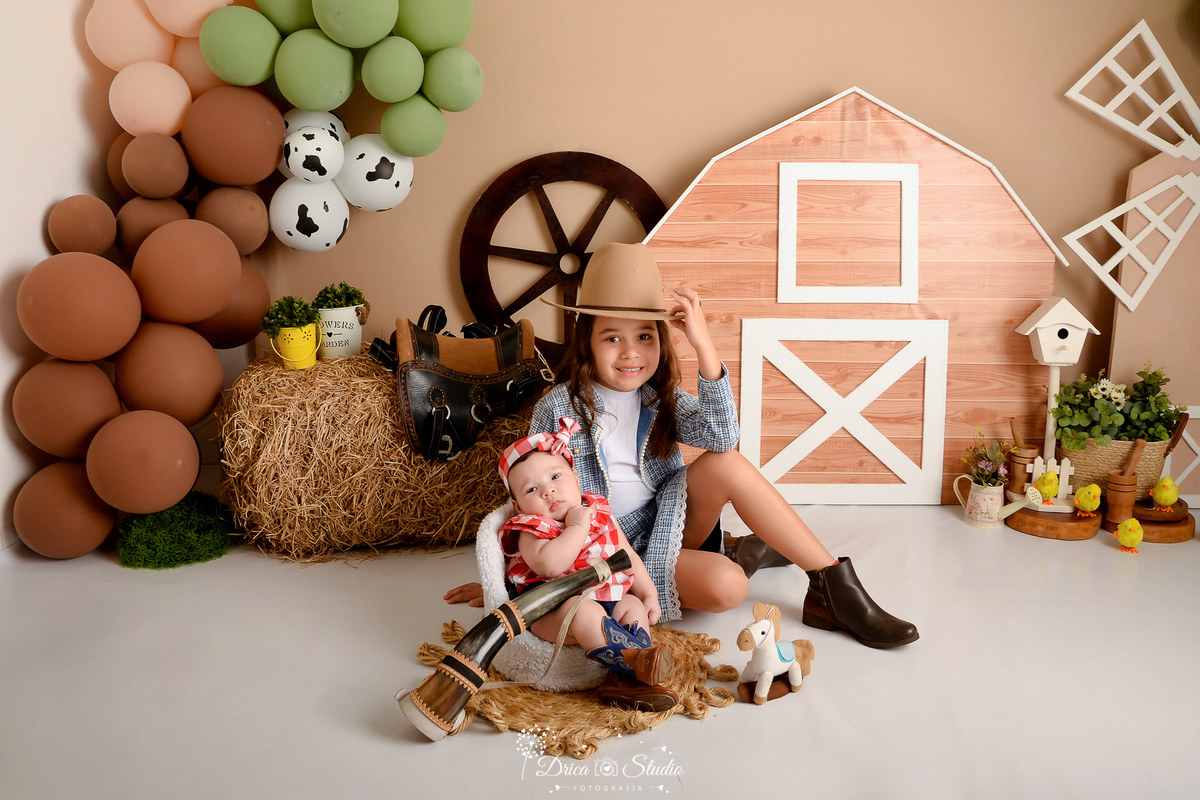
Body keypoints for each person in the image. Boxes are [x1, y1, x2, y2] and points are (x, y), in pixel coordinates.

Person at [447, 242, 917, 649]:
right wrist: (506, 583)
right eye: (612, 338)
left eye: (645, 336)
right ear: (586, 341)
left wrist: (703, 344)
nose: (631, 353)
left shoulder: (659, 397)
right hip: (603, 546)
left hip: (670, 523)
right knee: (729, 588)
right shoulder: (558, 408)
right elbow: (532, 488)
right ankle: (738, 554)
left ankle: (831, 587)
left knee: (727, 462)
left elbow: (722, 436)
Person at [497, 416, 677, 710]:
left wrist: (647, 593)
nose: (548, 491)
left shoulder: (598, 511)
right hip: (554, 612)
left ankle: (632, 674)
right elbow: (549, 566)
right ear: (517, 506)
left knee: (632, 606)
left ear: (576, 478)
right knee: (581, 609)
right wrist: (576, 528)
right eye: (531, 489)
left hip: (607, 597)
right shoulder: (530, 530)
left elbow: (625, 553)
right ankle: (633, 662)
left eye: (556, 477)